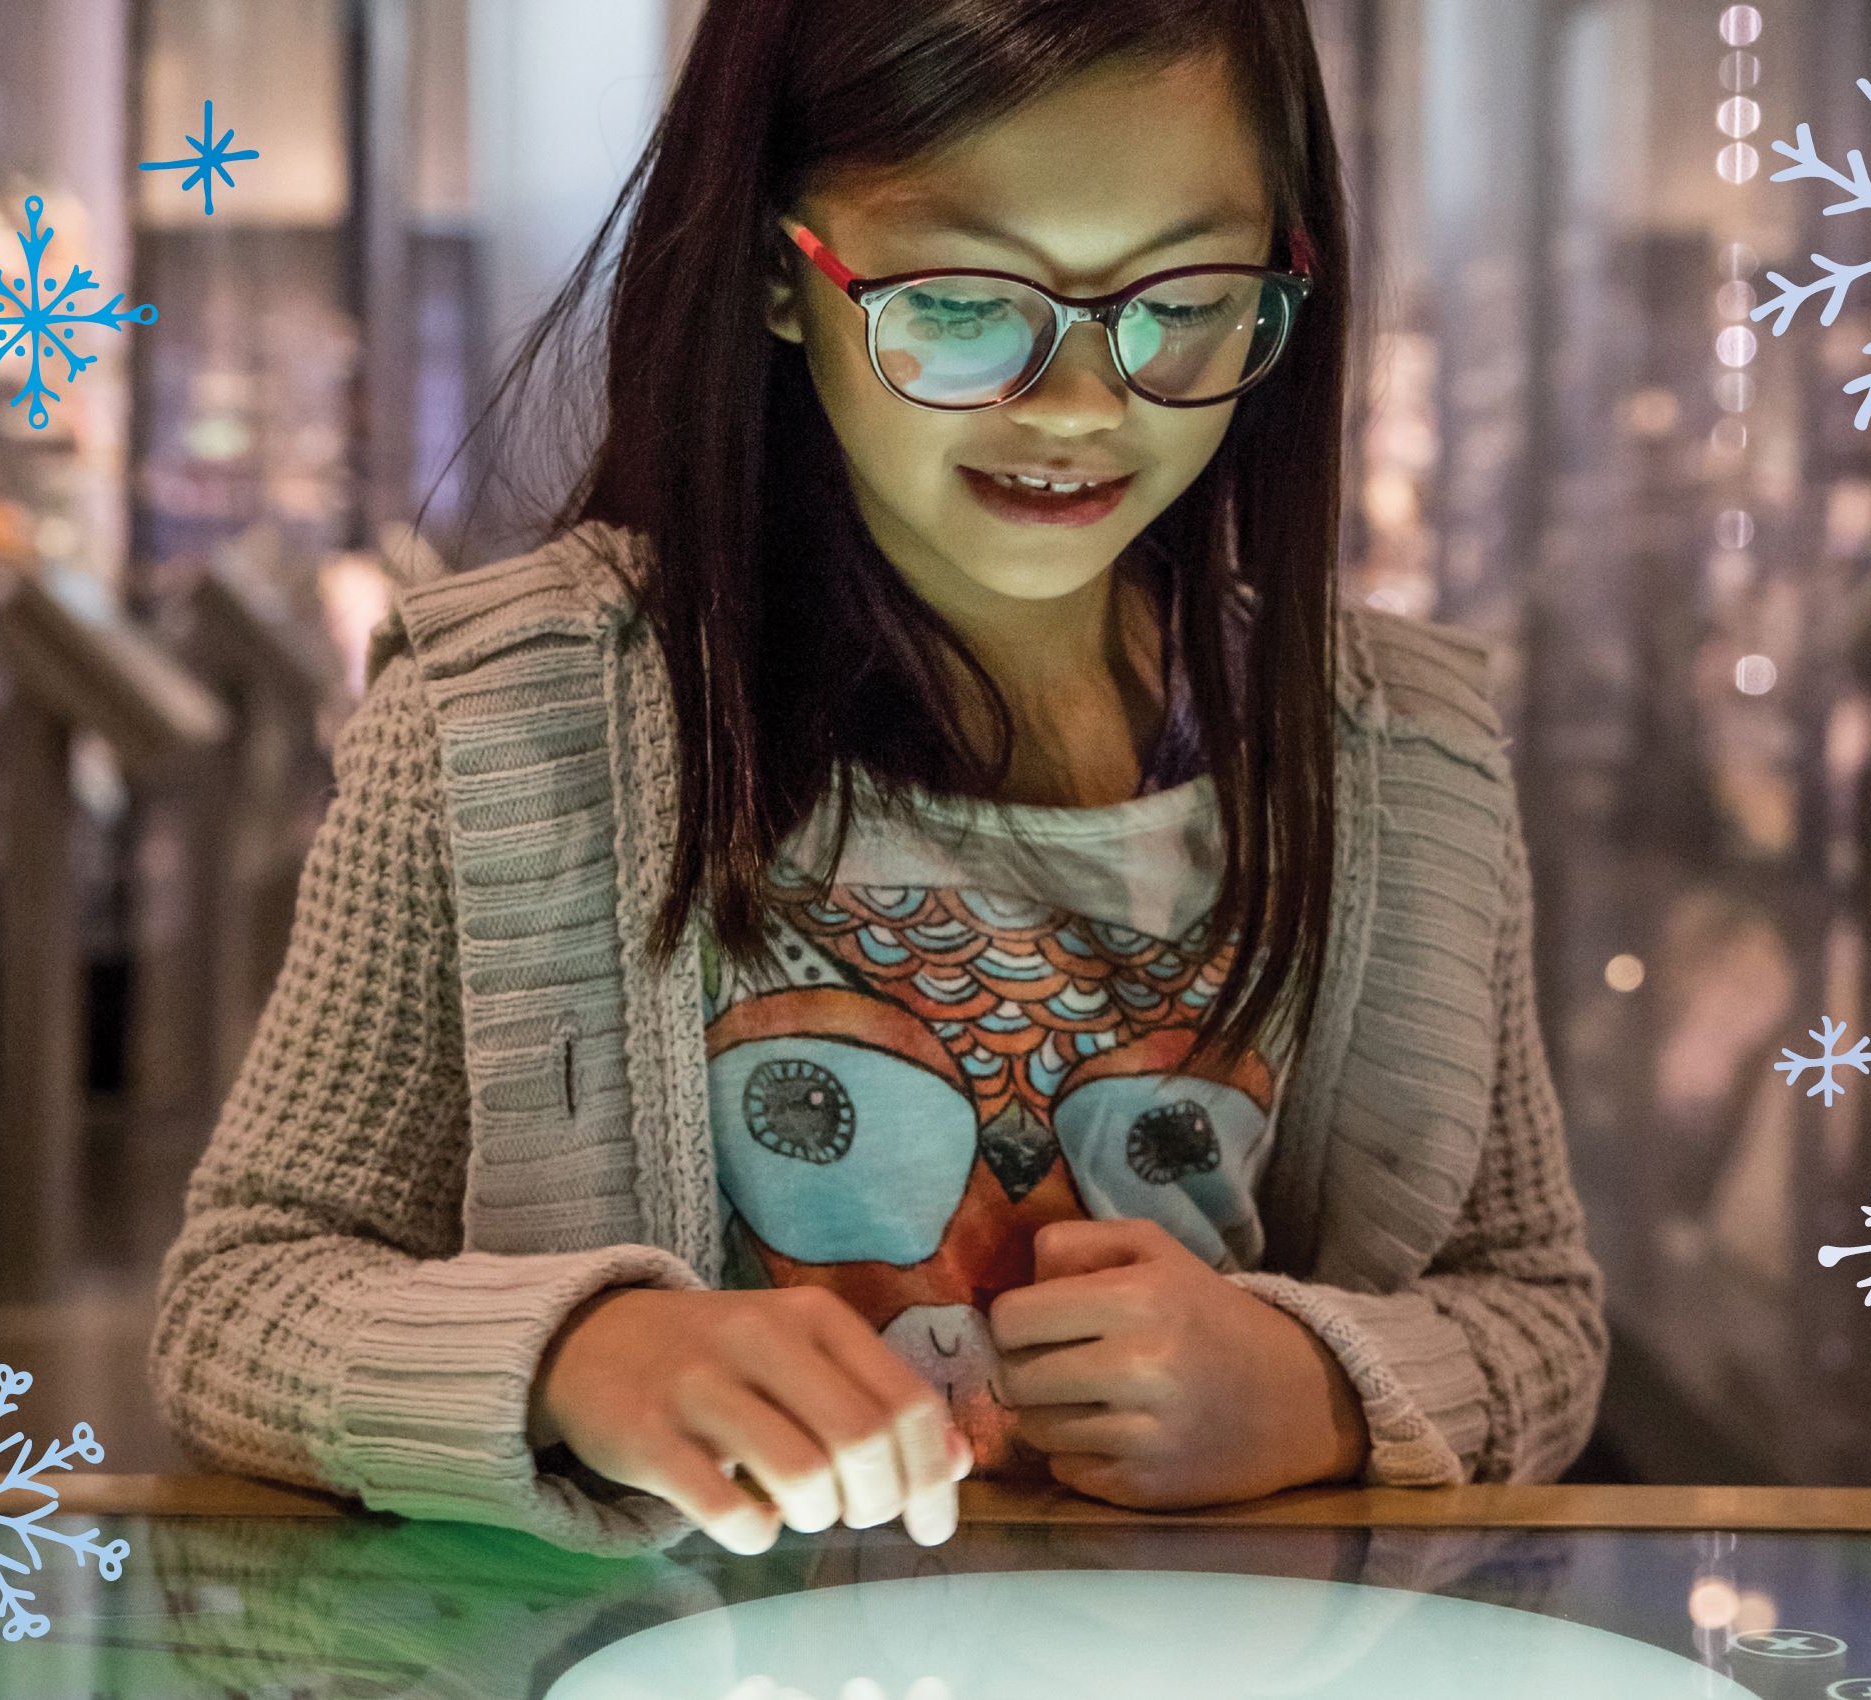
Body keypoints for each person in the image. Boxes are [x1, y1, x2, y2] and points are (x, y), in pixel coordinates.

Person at [148, 0, 1607, 1561]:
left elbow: (1533, 1308)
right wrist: (583, 1358)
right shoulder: (510, 718)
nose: (1078, 403)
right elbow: (241, 1296)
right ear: (781, 271)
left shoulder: (1403, 761)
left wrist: (1319, 1388)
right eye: (968, 303)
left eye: (1182, 301)